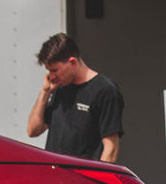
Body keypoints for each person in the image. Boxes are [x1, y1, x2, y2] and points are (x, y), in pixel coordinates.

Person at [27, 33, 124, 162]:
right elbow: (33, 131)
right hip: (55, 172)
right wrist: (45, 93)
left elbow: (111, 148)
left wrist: (97, 175)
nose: (51, 76)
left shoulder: (104, 90)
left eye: (54, 70)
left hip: (83, 174)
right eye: (49, 71)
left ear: (72, 62)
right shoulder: (59, 88)